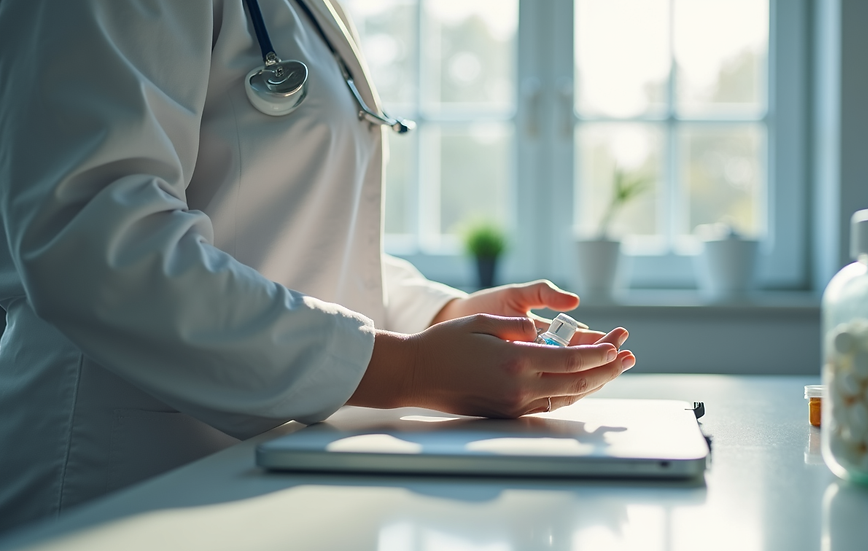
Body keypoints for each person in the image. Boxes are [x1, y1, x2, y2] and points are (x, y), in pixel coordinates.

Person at [0, 0, 635, 532]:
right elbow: (97, 242)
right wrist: (405, 367)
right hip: (120, 479)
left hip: (270, 473)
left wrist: (441, 317)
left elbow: (299, 239)